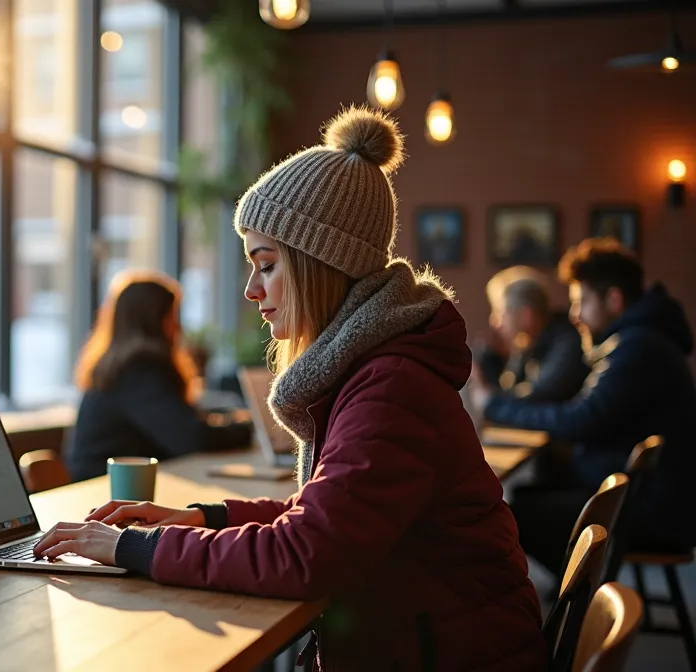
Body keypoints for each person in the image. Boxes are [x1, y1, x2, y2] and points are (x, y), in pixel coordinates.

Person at [34, 108, 546, 669]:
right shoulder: (379, 366)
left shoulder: (390, 385)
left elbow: (306, 554)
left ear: (320, 265)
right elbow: (323, 517)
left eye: (267, 264)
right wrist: (204, 519)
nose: (253, 290)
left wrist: (135, 547)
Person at [476, 238, 696, 574]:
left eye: (581, 302)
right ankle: (570, 597)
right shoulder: (641, 341)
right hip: (651, 500)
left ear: (613, 299)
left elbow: (580, 419)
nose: (574, 314)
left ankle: (570, 603)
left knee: (506, 513)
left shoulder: (638, 349)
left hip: (654, 513)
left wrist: (491, 403)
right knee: (524, 496)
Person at [65, 269, 252, 482]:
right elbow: (190, 437)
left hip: (111, 489)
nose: (179, 327)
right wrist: (249, 429)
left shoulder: (119, 369)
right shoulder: (136, 370)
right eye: (172, 316)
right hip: (107, 495)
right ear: (153, 321)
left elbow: (178, 424)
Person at [476, 266, 589, 404]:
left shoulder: (567, 342)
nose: (495, 322)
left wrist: (489, 400)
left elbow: (536, 397)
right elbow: (509, 392)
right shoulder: (529, 343)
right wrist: (489, 359)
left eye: (501, 313)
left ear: (526, 315)